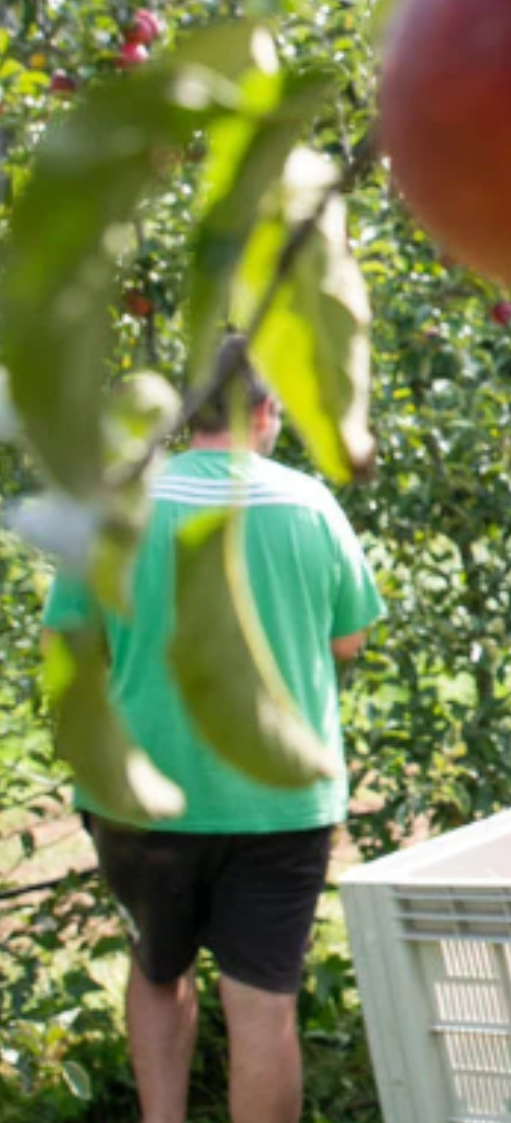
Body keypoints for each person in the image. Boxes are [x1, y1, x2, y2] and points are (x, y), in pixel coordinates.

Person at [41, 336, 383, 1123]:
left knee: (158, 971)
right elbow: (347, 641)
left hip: (140, 792)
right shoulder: (308, 503)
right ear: (266, 413)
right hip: (281, 801)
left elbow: (69, 642)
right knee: (263, 1003)